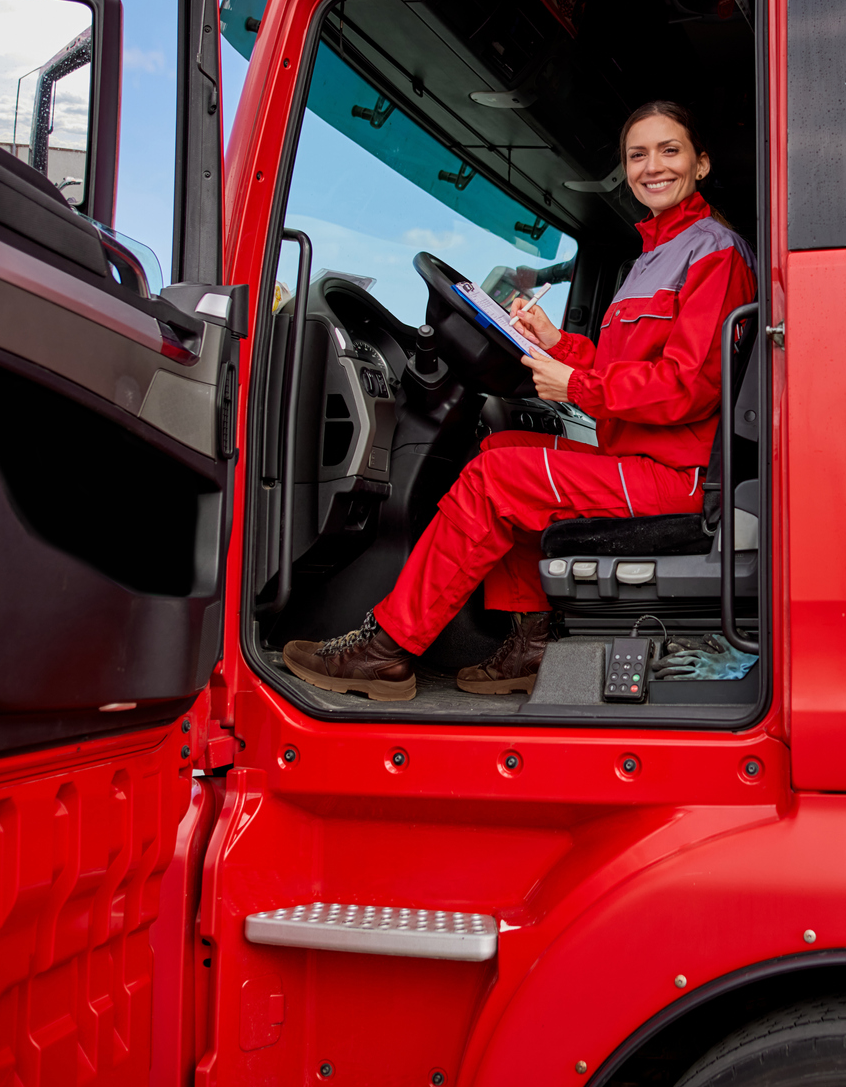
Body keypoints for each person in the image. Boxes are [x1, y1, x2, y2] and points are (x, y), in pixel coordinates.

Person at [283, 101, 756, 699]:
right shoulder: (652, 257)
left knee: (497, 478)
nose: (652, 166)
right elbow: (633, 365)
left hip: (682, 476)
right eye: (638, 154)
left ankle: (387, 648)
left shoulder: (713, 253)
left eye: (670, 150)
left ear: (701, 163)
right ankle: (530, 644)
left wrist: (577, 387)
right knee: (503, 446)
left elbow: (692, 387)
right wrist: (558, 344)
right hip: (642, 461)